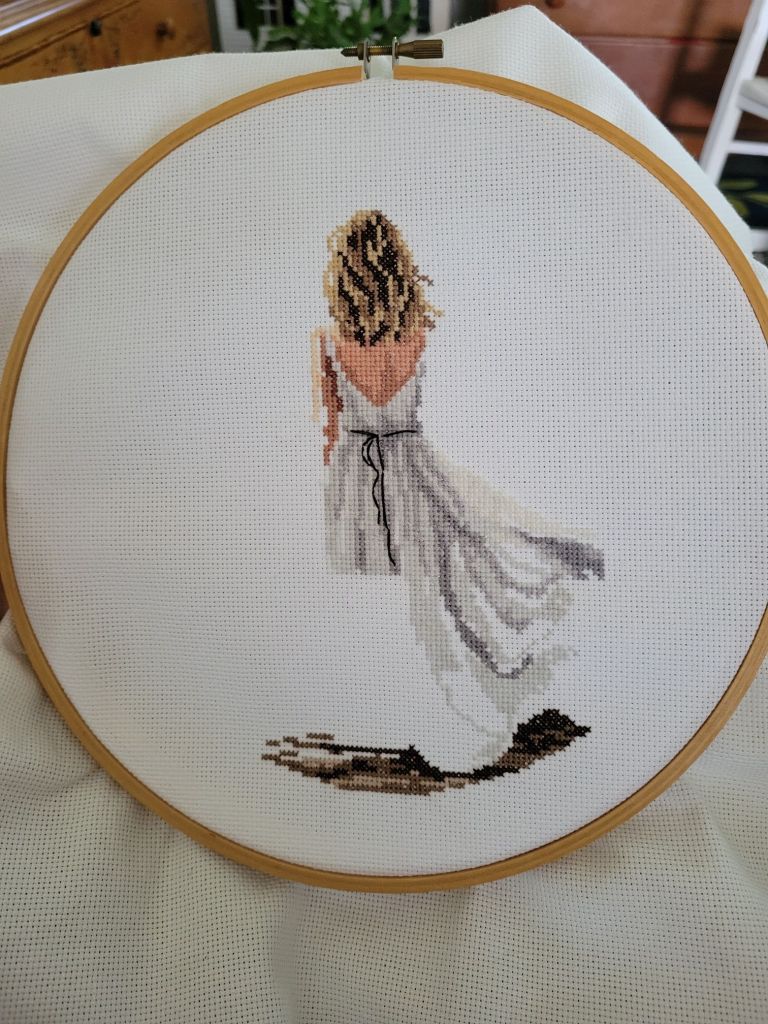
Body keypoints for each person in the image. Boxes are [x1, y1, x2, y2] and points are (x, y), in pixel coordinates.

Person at [310, 208, 604, 770]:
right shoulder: (418, 338)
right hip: (413, 465)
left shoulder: (326, 341)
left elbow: (329, 428)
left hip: (356, 470)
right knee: (433, 582)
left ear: (344, 270)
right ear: (399, 269)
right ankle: (428, 704)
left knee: (372, 588)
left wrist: (333, 486)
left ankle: (389, 706)